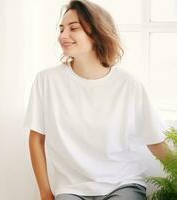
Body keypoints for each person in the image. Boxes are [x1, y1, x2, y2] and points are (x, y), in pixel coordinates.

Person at [23, 0, 172, 199]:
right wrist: (45, 192)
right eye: (61, 29)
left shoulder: (129, 84)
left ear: (97, 33)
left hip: (123, 184)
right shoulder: (47, 80)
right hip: (71, 189)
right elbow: (36, 139)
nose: (63, 35)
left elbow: (155, 141)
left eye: (73, 28)